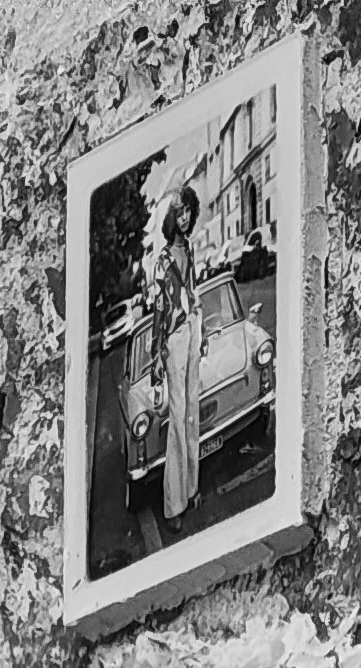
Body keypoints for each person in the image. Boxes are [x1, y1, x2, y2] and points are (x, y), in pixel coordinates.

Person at [147, 184, 203, 526]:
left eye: (187, 211)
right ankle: (174, 505)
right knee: (178, 417)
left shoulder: (190, 250)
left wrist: (201, 328)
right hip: (174, 338)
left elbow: (192, 290)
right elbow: (158, 310)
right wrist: (156, 354)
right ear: (171, 218)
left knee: (193, 411)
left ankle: (192, 488)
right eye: (179, 212)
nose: (184, 218)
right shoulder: (163, 260)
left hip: (193, 328)